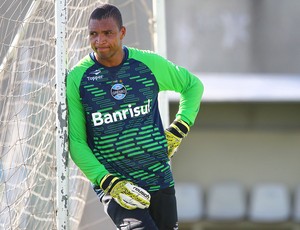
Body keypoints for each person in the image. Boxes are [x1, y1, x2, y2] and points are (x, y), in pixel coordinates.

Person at [67, 3, 204, 230]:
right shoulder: (78, 78)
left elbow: (192, 86)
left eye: (107, 33)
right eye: (94, 34)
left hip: (158, 176)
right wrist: (108, 182)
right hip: (117, 187)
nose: (100, 41)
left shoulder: (147, 64)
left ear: (122, 33)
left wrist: (179, 128)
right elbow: (78, 142)